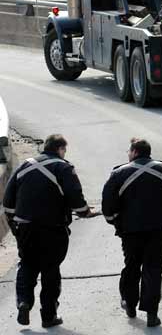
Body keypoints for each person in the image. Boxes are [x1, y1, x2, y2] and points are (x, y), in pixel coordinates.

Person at [2, 134, 96, 328]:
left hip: (26, 228)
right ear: (60, 149)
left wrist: (16, 229)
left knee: (27, 265)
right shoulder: (63, 167)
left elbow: (8, 203)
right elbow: (75, 197)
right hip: (53, 229)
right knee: (50, 271)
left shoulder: (24, 166)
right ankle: (48, 316)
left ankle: (24, 301)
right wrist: (85, 212)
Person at [102, 138, 162, 328]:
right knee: (153, 270)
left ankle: (129, 304)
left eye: (129, 151)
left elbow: (108, 204)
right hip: (158, 230)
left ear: (134, 152)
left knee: (131, 266)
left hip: (130, 232)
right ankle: (152, 314)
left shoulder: (118, 173)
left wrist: (115, 222)